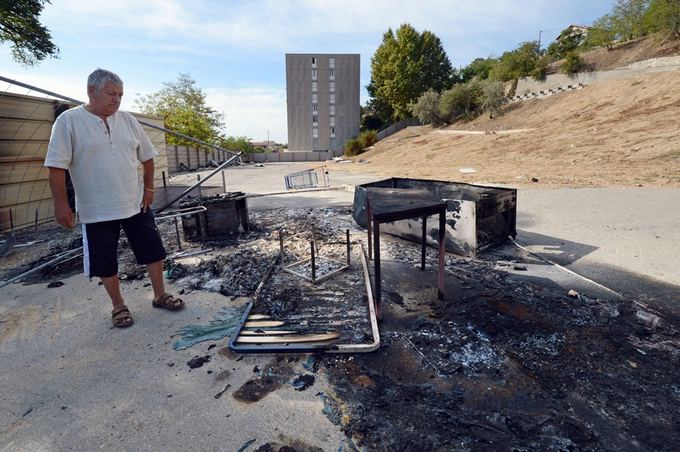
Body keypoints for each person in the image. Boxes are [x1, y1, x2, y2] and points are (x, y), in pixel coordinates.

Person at [45, 68, 185, 328]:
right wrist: (61, 204)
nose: (117, 100)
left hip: (135, 203)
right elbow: (56, 167)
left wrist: (149, 189)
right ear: (91, 90)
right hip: (96, 209)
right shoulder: (68, 121)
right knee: (105, 260)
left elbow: (147, 156)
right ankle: (118, 306)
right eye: (112, 94)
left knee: (153, 250)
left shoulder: (128, 120)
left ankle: (159, 295)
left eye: (120, 95)